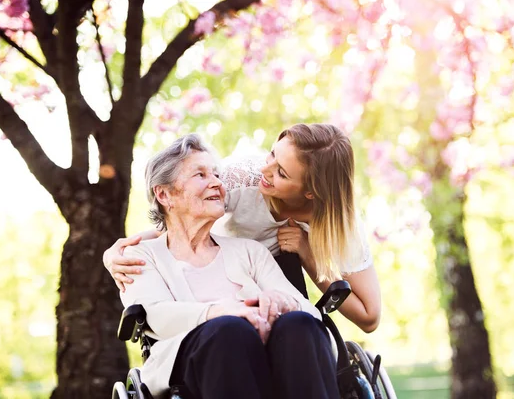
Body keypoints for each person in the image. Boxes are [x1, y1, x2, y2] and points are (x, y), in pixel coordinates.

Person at [107, 123, 381, 333]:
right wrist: (116, 253)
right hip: (214, 282)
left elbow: (369, 317)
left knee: (300, 324)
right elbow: (178, 222)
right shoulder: (240, 177)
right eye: (272, 155)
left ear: (311, 192)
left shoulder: (340, 227)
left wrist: (309, 256)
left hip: (275, 290)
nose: (266, 170)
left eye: (282, 173)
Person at [121, 134, 338, 398]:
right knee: (229, 330)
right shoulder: (140, 256)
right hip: (192, 365)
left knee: (299, 325)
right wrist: (223, 311)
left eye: (216, 175)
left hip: (268, 357)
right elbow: (156, 316)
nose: (217, 183)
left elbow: (311, 315)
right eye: (200, 175)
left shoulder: (249, 251)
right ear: (165, 194)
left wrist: (282, 303)